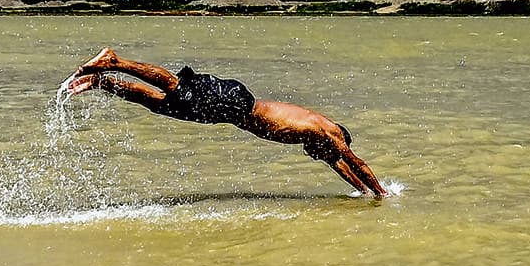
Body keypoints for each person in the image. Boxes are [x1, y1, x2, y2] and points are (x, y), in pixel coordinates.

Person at [64, 47, 387, 197]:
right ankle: (115, 62)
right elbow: (352, 161)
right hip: (236, 103)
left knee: (164, 106)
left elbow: (340, 166)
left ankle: (102, 83)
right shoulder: (327, 133)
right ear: (337, 139)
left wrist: (362, 193)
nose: (321, 157)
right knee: (177, 88)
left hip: (227, 113)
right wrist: (381, 194)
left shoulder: (319, 137)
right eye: (323, 154)